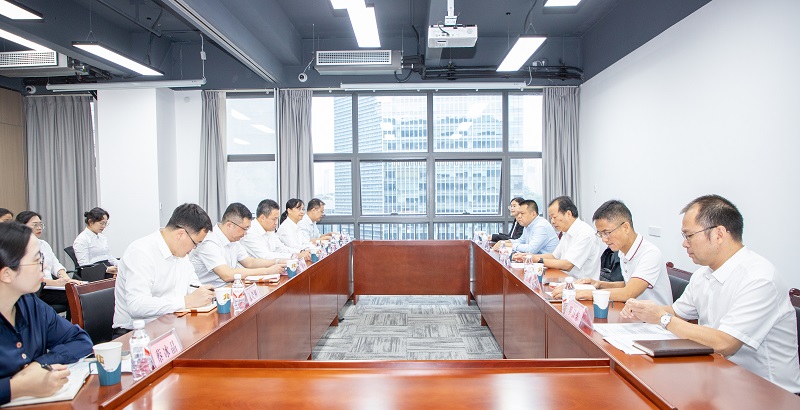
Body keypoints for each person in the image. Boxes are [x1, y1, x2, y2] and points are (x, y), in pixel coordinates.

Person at [622, 195, 800, 393]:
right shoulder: (703, 275)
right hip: (720, 376)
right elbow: (676, 312)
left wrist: (662, 318)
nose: (684, 244)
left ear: (719, 234)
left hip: (768, 392)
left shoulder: (759, 279)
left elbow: (725, 343)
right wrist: (643, 310)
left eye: (689, 236)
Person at [0, 222, 93, 405]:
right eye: (37, 260)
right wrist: (17, 387)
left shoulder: (30, 303)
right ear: (6, 274)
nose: (44, 268)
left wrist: (39, 365)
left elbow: (81, 340)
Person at [113, 204, 216, 332]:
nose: (194, 248)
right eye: (195, 243)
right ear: (181, 234)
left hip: (171, 325)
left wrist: (204, 294)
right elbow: (137, 306)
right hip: (136, 334)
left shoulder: (181, 254)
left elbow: (192, 285)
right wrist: (186, 301)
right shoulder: (140, 252)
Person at [551, 200, 672, 305]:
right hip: (633, 312)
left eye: (607, 233)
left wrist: (582, 293)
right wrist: (599, 284)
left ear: (625, 227)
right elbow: (628, 284)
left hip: (654, 321)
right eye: (600, 234)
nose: (604, 239)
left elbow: (628, 293)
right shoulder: (623, 251)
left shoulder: (649, 254)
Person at [190, 203, 285, 287]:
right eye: (244, 228)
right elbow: (226, 274)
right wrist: (267, 271)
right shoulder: (209, 242)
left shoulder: (233, 239)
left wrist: (277, 261)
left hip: (230, 288)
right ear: (229, 225)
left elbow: (250, 262)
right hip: (212, 293)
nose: (245, 233)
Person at [15, 211, 82, 317]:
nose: (39, 228)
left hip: (51, 287)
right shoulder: (19, 247)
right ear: (22, 227)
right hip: (36, 290)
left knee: (78, 293)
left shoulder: (43, 244)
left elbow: (55, 264)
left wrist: (66, 279)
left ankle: (70, 324)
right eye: (35, 225)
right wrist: (55, 283)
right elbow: (27, 277)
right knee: (74, 297)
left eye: (40, 224)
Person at [524, 196, 602, 280]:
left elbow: (567, 265)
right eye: (551, 218)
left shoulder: (585, 234)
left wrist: (537, 260)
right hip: (564, 279)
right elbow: (554, 256)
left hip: (581, 284)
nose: (552, 222)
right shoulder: (566, 232)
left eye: (555, 217)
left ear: (568, 214)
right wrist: (529, 256)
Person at [240, 199, 311, 262]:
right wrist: (294, 256)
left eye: (277, 219)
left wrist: (300, 252)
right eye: (274, 219)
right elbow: (266, 256)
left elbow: (280, 248)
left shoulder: (269, 229)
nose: (276, 223)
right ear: (262, 218)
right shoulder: (250, 232)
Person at [72, 207, 118, 275]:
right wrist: (106, 269)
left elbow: (108, 256)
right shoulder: (82, 239)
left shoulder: (102, 237)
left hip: (107, 267)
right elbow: (84, 265)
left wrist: (120, 265)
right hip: (94, 272)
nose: (103, 226)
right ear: (90, 222)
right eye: (101, 223)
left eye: (105, 223)